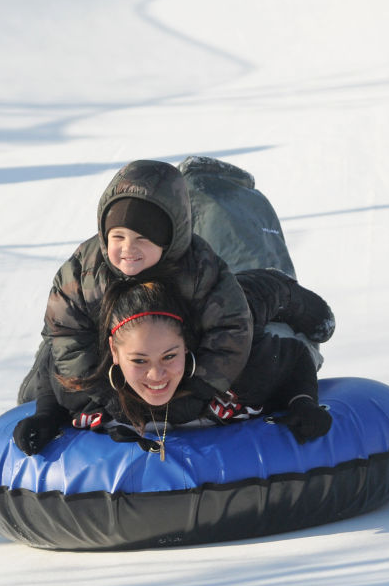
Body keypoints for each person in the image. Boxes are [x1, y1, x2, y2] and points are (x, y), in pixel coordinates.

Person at [20, 159, 255, 425]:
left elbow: (231, 329)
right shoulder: (81, 272)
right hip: (111, 363)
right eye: (117, 237)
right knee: (44, 379)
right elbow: (66, 334)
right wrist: (104, 396)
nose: (128, 249)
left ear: (168, 241)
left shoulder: (199, 269)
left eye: (143, 238)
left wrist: (200, 388)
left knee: (254, 360)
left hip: (176, 363)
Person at [13, 278, 332, 456]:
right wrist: (44, 417)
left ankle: (224, 196)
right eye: (139, 361)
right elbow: (54, 375)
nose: (156, 375)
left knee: (274, 309)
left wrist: (303, 402)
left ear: (187, 346)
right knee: (31, 387)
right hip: (108, 316)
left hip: (245, 294)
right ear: (114, 354)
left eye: (169, 357)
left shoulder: (234, 361)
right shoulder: (88, 375)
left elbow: (295, 359)